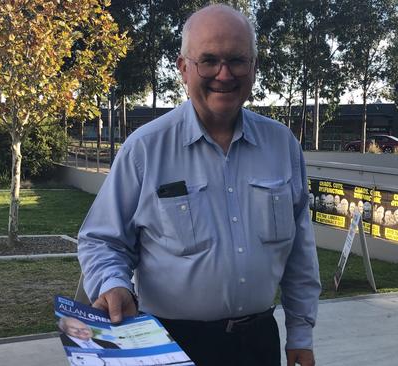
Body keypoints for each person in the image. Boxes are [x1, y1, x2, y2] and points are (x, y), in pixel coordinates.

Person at [77, 4, 320, 366]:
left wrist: (300, 333)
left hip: (257, 344)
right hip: (171, 344)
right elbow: (103, 239)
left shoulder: (282, 146)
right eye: (209, 60)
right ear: (183, 69)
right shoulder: (145, 149)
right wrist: (113, 284)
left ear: (253, 67)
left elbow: (300, 250)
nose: (224, 74)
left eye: (237, 60)